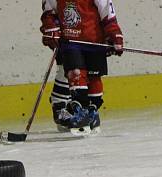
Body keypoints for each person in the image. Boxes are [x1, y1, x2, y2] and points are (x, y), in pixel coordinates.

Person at [40, 0, 124, 133]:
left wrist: (114, 34)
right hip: (70, 41)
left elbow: (107, 12)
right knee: (75, 72)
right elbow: (49, 12)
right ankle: (78, 111)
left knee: (94, 77)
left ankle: (92, 112)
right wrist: (51, 27)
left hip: (94, 40)